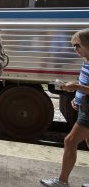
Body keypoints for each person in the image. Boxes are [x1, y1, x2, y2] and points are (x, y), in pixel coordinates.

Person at [41, 28, 89, 187]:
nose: (75, 49)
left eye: (78, 45)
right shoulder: (86, 60)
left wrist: (77, 88)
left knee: (70, 141)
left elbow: (83, 86)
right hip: (85, 106)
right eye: (74, 46)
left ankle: (62, 181)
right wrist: (77, 99)